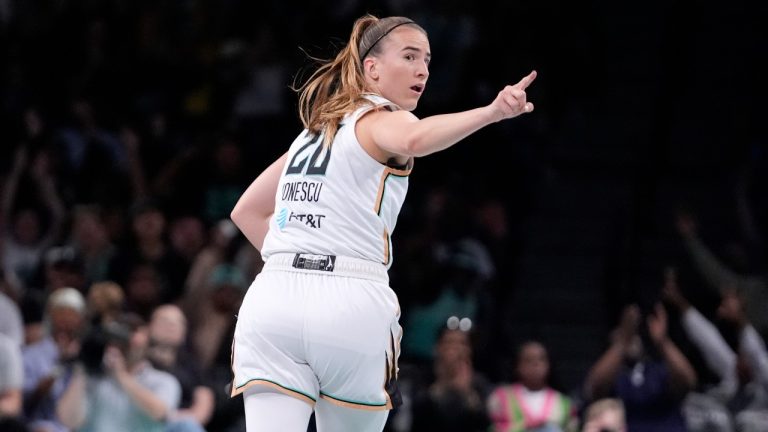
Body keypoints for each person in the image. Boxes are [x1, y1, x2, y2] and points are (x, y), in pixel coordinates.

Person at [228, 13, 536, 432]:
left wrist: (299, 256)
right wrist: (491, 112)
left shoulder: (312, 133)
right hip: (347, 301)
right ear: (371, 69)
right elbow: (415, 139)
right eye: (409, 56)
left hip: (273, 299)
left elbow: (244, 212)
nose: (422, 69)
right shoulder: (383, 119)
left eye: (426, 59)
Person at [486, 340, 578, 432]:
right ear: (517, 366)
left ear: (549, 365)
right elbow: (493, 428)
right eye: (528, 360)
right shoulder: (501, 397)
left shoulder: (563, 402)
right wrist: (525, 426)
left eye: (541, 359)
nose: (535, 364)